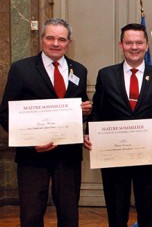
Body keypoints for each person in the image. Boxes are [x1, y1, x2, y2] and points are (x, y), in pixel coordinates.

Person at [0, 18, 92, 227]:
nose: (55, 43)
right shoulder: (21, 69)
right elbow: (5, 113)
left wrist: (85, 112)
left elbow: (78, 107)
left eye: (61, 39)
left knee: (69, 215)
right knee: (31, 214)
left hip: (68, 156)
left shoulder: (78, 70)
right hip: (33, 156)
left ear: (69, 42)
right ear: (42, 40)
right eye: (50, 38)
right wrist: (29, 142)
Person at [84, 23, 152, 227]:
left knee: (148, 212)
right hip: (114, 156)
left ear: (147, 46)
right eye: (129, 42)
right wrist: (90, 132)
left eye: (139, 42)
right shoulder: (106, 75)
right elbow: (97, 111)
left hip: (148, 156)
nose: (134, 47)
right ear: (121, 45)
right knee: (116, 211)